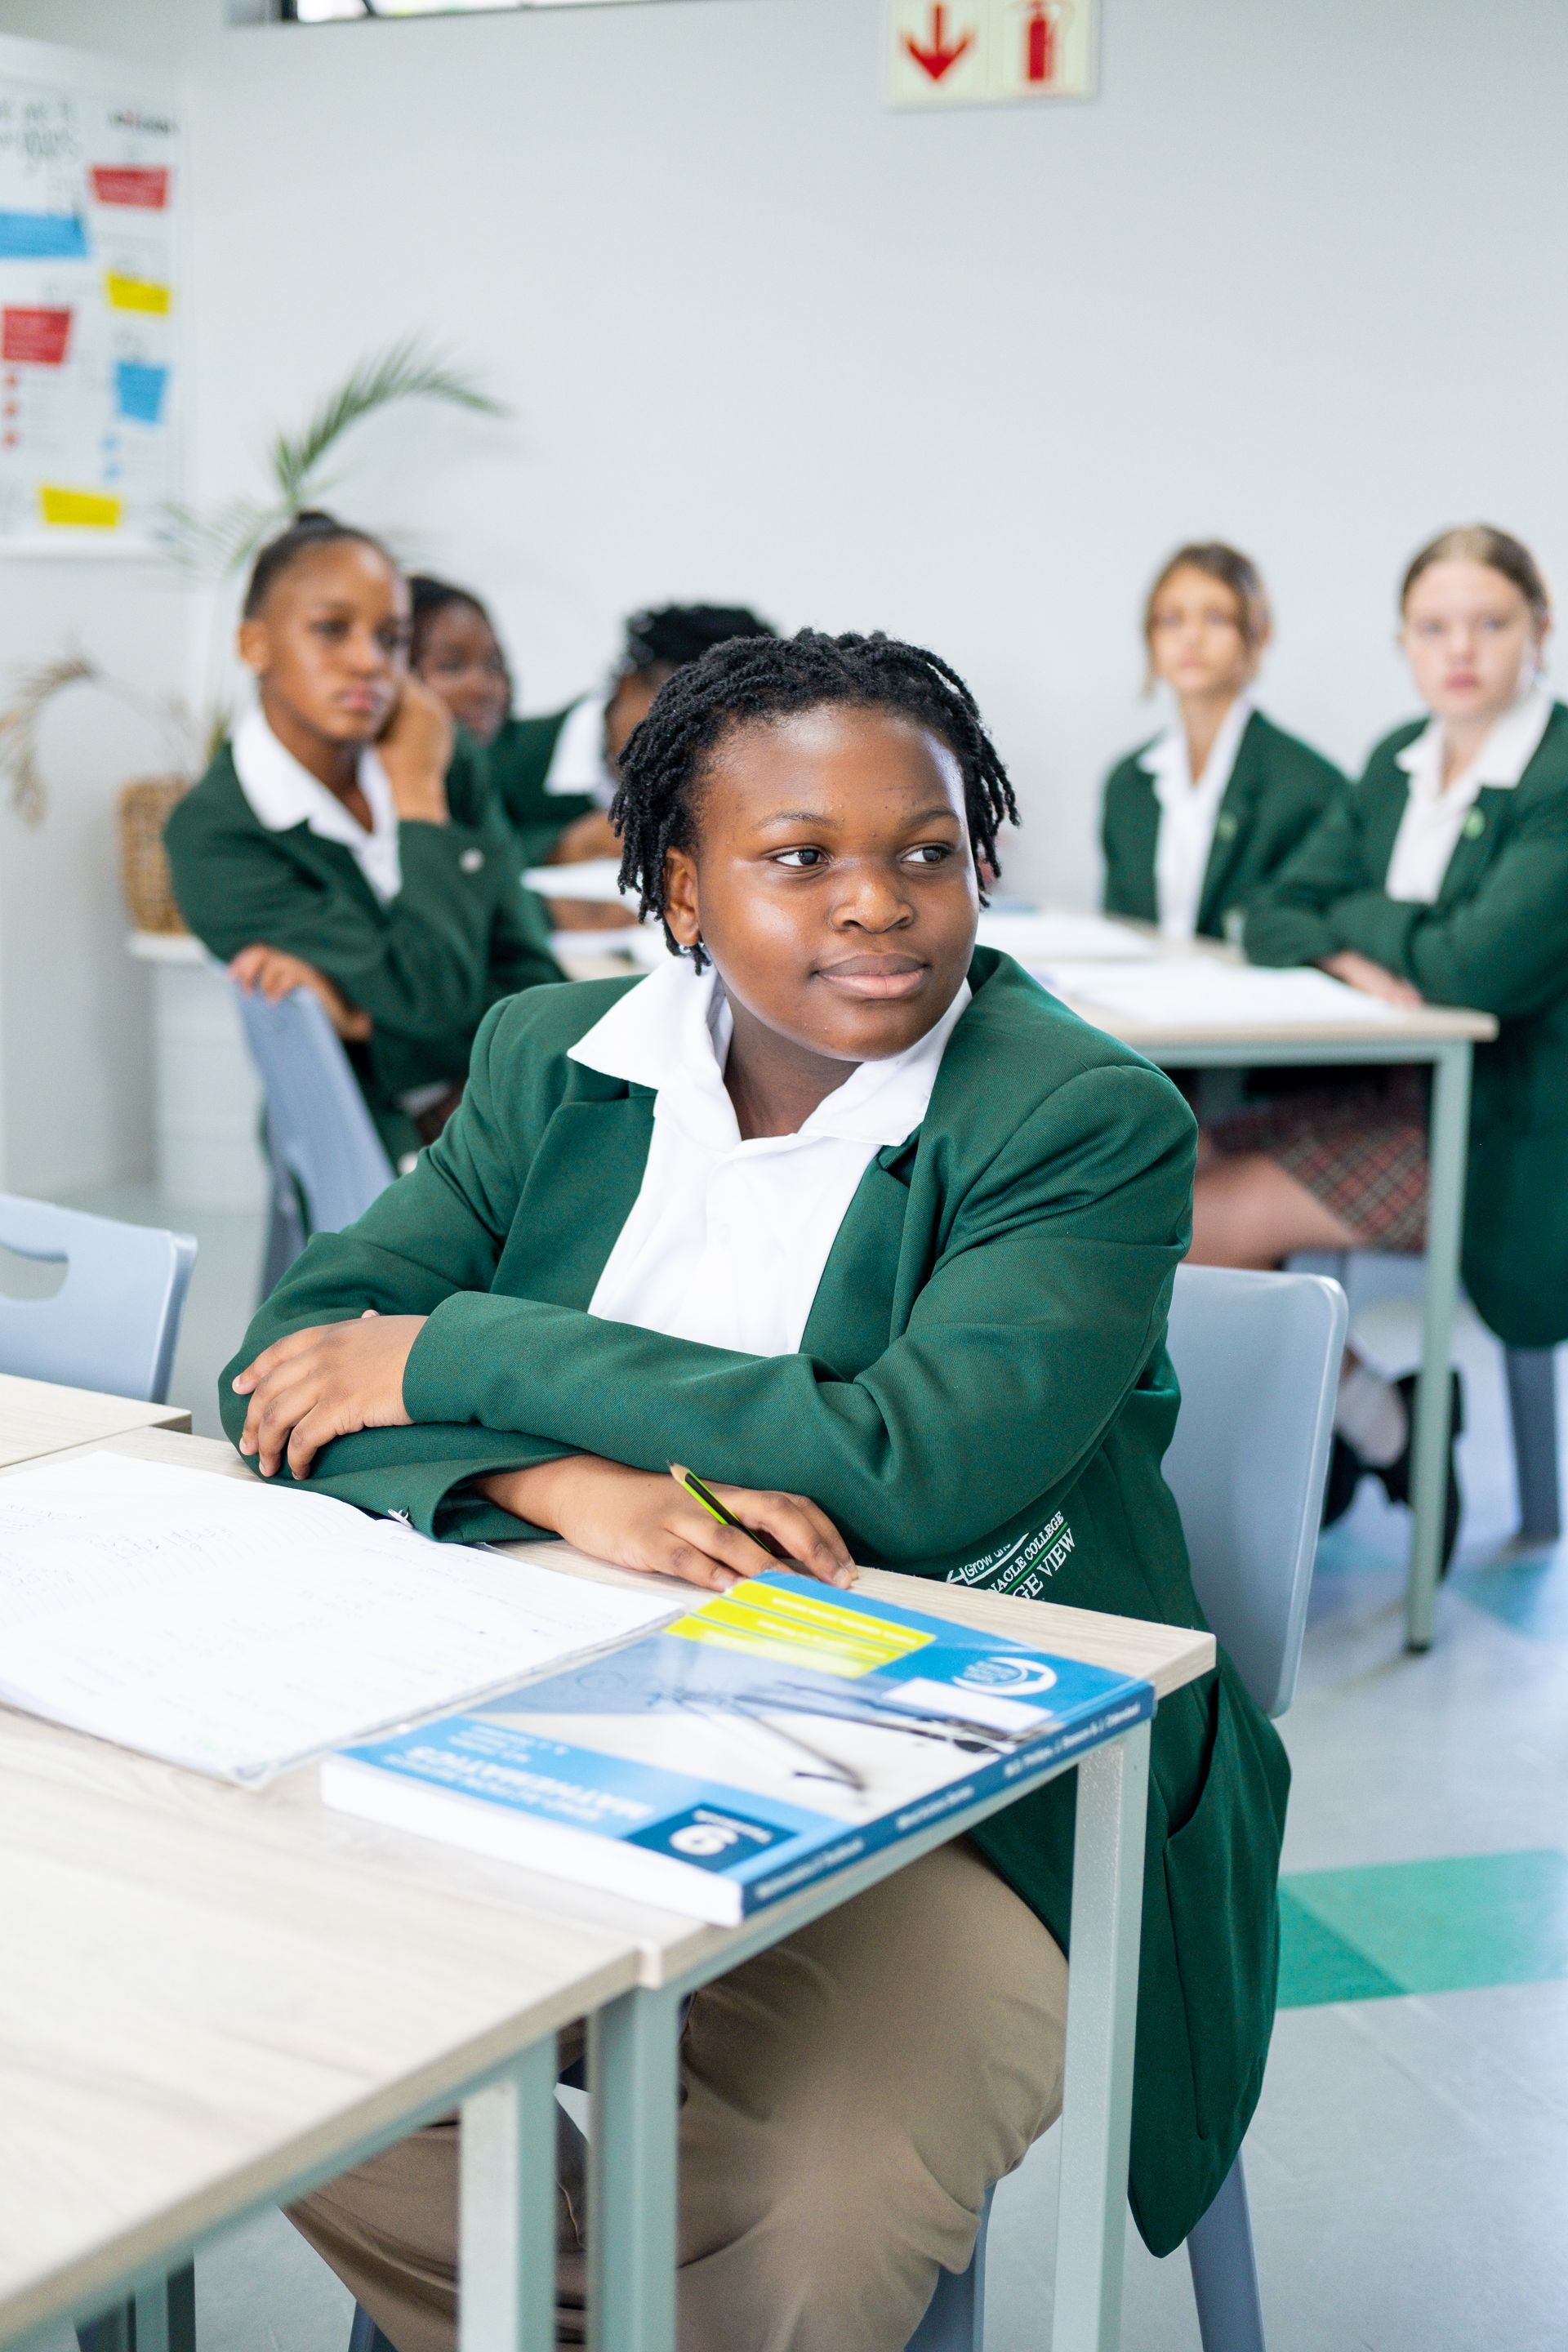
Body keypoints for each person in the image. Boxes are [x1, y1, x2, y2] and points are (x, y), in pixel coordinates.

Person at [220, 628, 1288, 2352]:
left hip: (978, 1797)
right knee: (262, 2011)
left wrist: (462, 1348)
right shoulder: (555, 1056)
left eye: (927, 852)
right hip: (558, 1735)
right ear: (681, 887)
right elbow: (287, 1362)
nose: (879, 902)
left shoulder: (1083, 1117)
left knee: (809, 2212)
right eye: (800, 857)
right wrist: (566, 1487)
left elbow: (911, 1467)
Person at [1199, 524, 1568, 1544]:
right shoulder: (1398, 761)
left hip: (1511, 1131)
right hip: (1399, 1096)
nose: (1461, 650)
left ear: (1540, 629)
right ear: (1403, 640)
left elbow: (1471, 968)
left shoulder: (1558, 774)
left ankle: (1366, 1424)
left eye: (1490, 624)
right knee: (1158, 1164)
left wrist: (1363, 922)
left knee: (1184, 1223)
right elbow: (1275, 914)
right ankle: (1375, 1422)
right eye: (1432, 628)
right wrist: (1376, 958)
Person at [166, 514, 562, 1169]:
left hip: (512, 1112)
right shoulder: (217, 835)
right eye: (332, 629)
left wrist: (361, 1023)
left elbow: (535, 981)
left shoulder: (444, 757)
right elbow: (433, 1000)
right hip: (382, 1144)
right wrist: (418, 802)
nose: (369, 662)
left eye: (392, 639)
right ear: (254, 645)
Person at [409, 593, 777, 869]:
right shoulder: (498, 753)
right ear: (628, 686)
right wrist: (560, 848)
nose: (689, 752)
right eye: (681, 724)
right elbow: (443, 859)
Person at [1102, 542, 1344, 940]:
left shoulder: (1310, 788)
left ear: (1258, 635)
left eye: (1216, 618)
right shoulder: (1127, 784)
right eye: (1171, 620)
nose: (1191, 636)